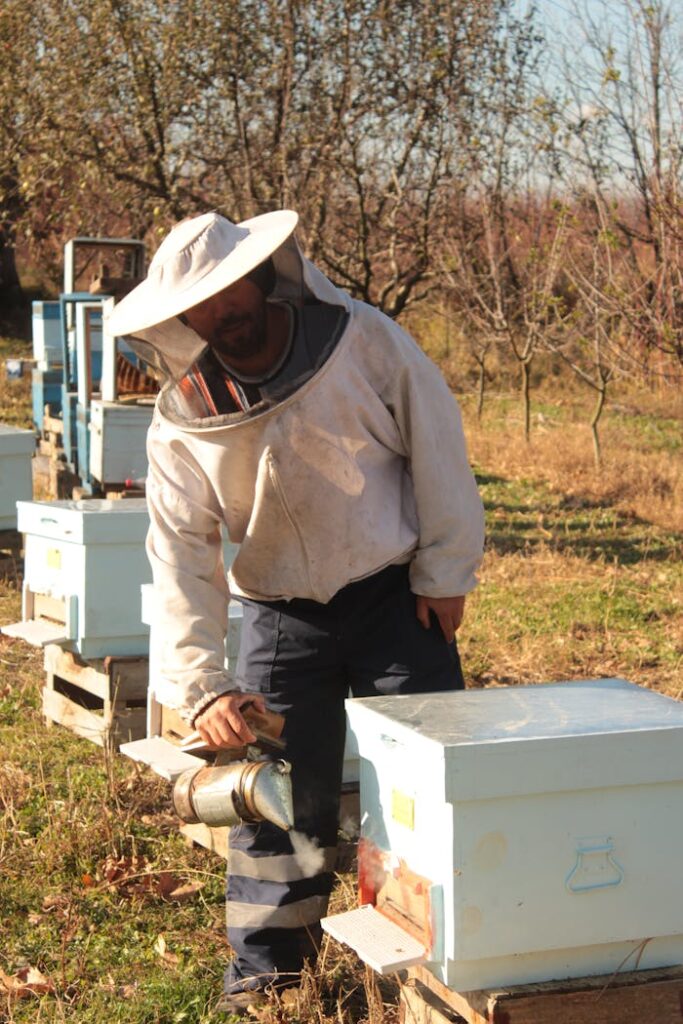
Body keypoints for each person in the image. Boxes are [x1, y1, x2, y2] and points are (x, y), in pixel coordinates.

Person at [109, 210, 485, 1013]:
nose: (219, 317)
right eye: (200, 308)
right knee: (275, 795)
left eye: (227, 294)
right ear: (181, 319)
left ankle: (449, 955)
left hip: (395, 600)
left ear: (262, 275)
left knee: (432, 781)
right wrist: (201, 683)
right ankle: (268, 978)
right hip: (279, 618)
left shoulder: (364, 340)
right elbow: (179, 551)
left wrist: (444, 571)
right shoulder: (182, 416)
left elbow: (437, 443)